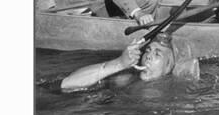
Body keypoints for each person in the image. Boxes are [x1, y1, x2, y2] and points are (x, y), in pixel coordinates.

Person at [58, 33, 198, 91]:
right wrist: (120, 63)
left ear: (169, 66)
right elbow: (66, 84)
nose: (148, 56)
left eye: (157, 54)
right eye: (147, 51)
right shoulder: (126, 79)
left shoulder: (177, 89)